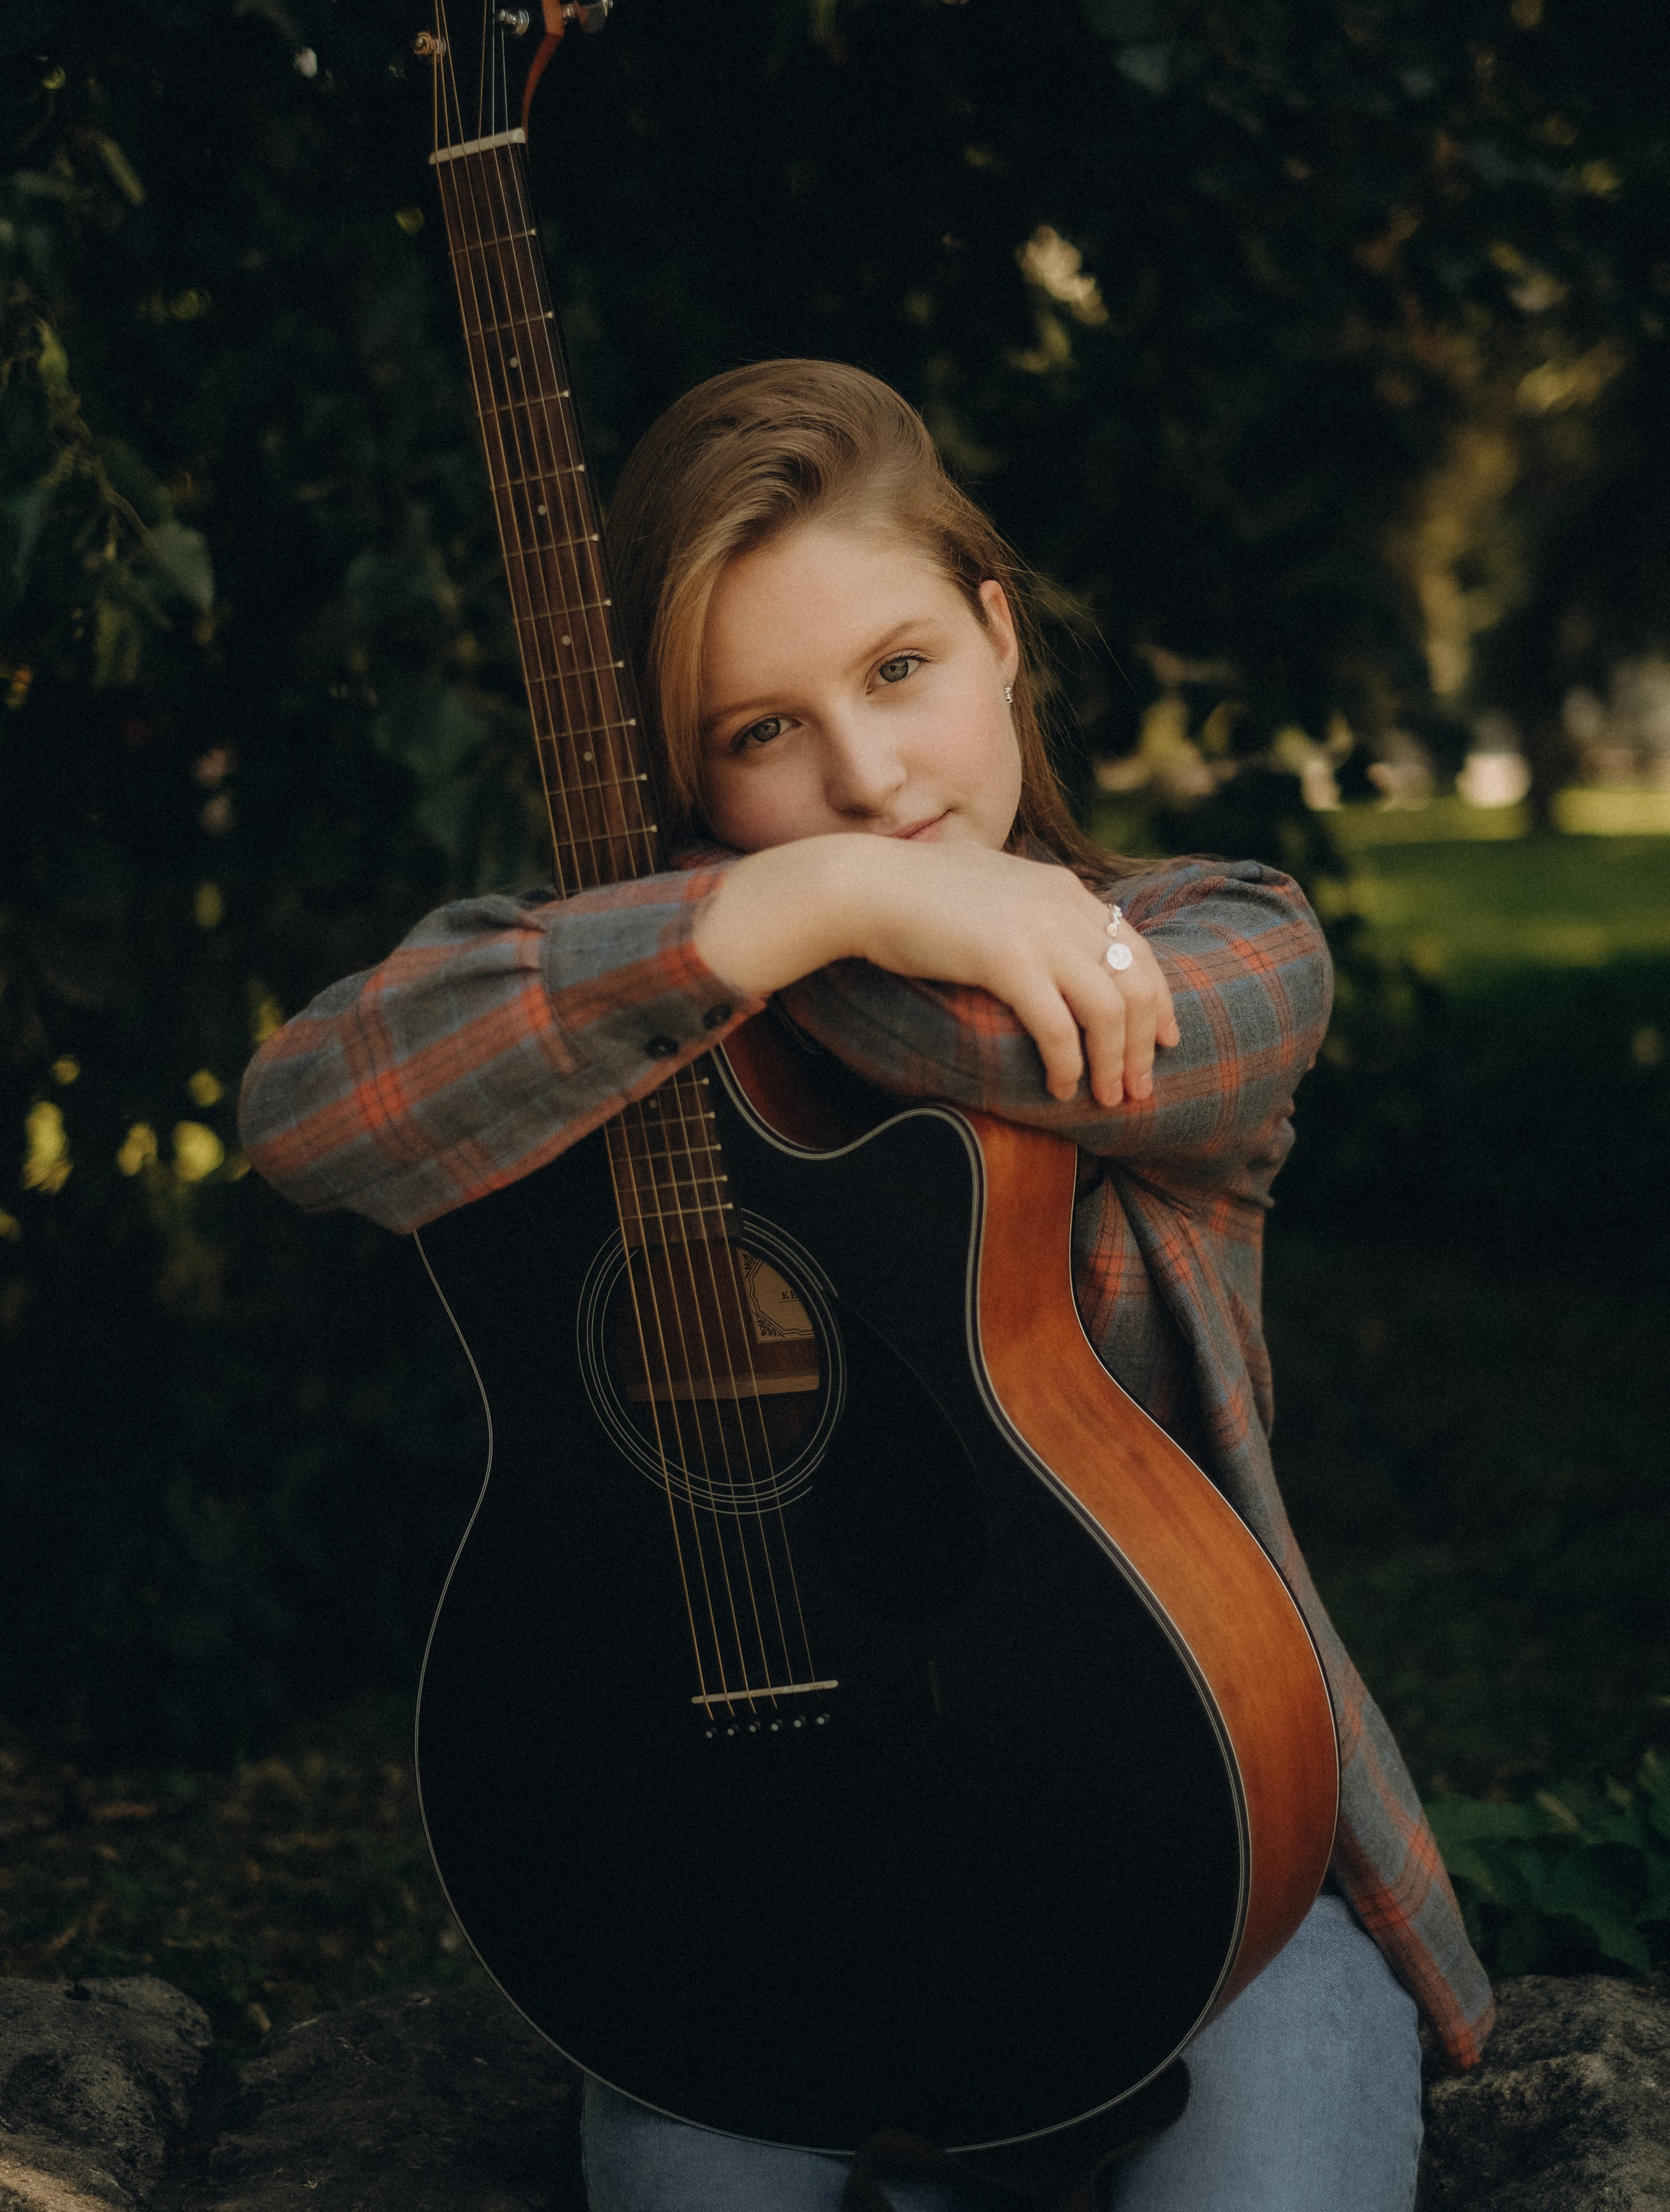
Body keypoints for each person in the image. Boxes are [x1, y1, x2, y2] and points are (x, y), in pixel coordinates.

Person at [240, 360, 1491, 2211]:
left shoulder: (1233, 940)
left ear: (998, 635)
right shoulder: (696, 960)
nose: (870, 781)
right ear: (690, 773)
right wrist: (819, 903)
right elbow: (308, 1111)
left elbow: (1058, 1036)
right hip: (734, 1875)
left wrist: (774, 916)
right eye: (765, 735)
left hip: (1197, 1839)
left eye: (900, 669)